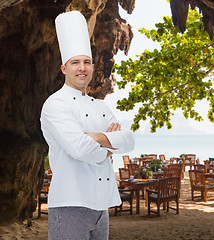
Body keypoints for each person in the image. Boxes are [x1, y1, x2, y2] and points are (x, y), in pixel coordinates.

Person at [40, 11, 134, 240]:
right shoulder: (55, 104)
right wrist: (109, 146)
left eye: (86, 62)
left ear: (92, 67)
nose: (81, 68)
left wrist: (94, 137)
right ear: (64, 68)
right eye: (75, 63)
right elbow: (80, 149)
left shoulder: (100, 106)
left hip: (101, 206)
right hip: (69, 204)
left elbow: (129, 140)